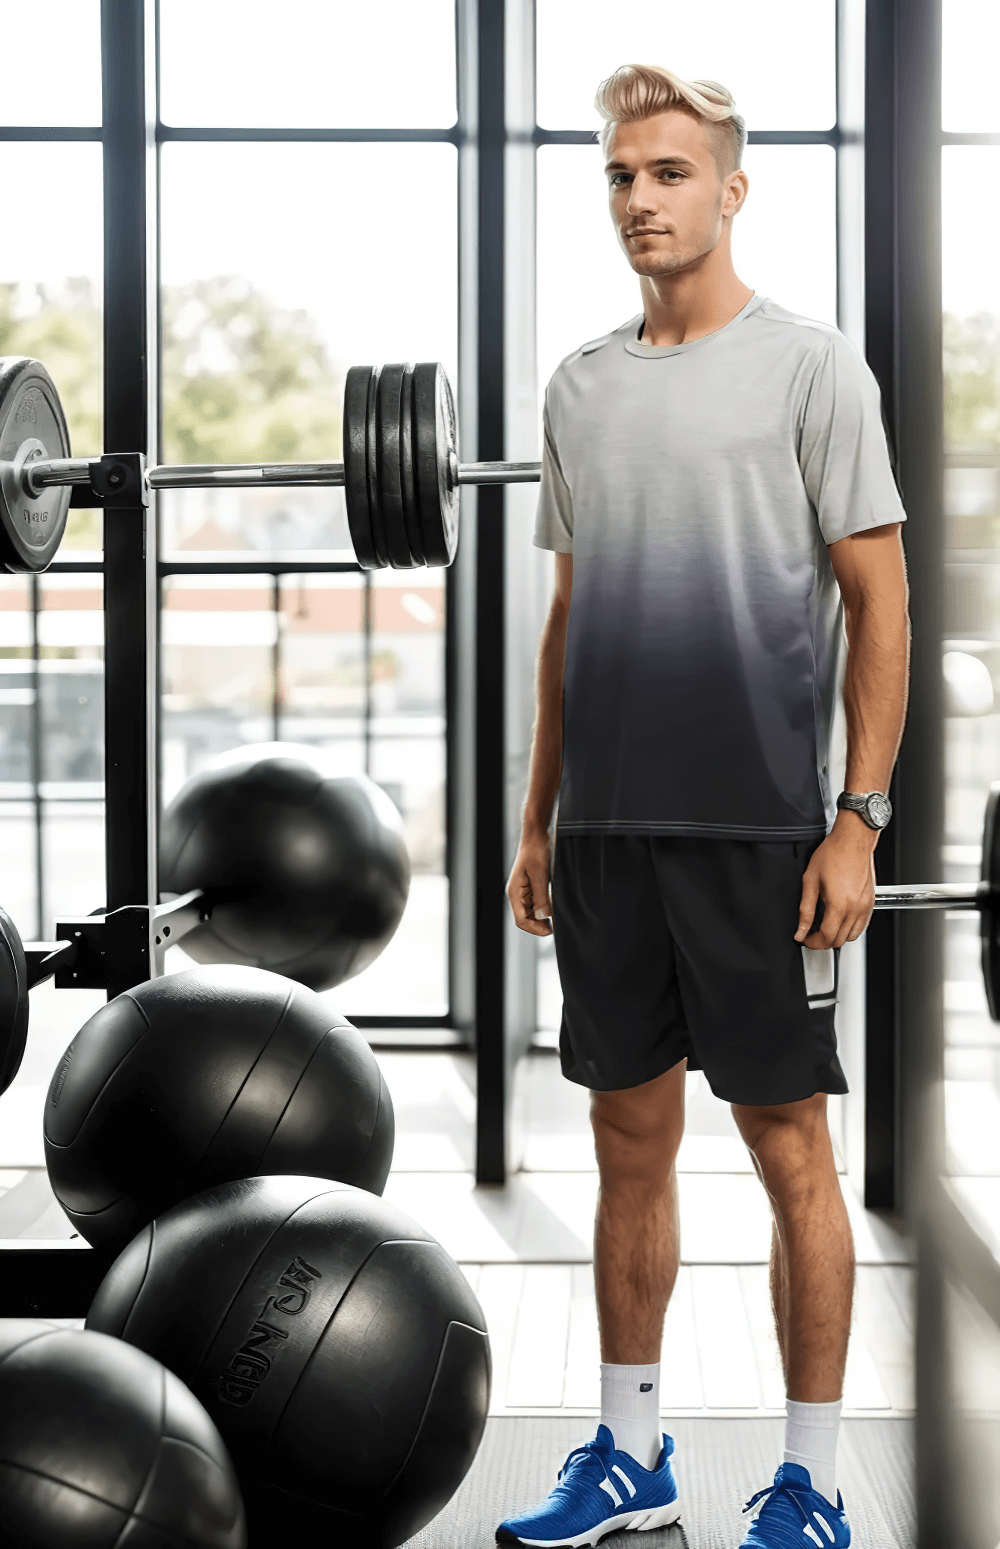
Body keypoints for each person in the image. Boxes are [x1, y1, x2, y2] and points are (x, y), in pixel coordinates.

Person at [497, 64, 909, 1549]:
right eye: (619, 175)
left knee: (790, 1145)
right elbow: (567, 620)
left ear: (732, 190)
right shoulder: (581, 387)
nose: (638, 200)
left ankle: (807, 1478)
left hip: (758, 836)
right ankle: (630, 1453)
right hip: (607, 835)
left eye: (668, 173)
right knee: (623, 1142)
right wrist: (540, 817)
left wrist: (858, 818)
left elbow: (881, 604)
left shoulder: (812, 366)